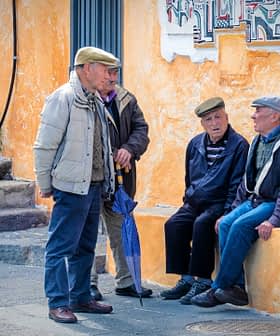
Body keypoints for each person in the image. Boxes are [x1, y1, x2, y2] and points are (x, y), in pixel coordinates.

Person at [33, 46, 120, 323]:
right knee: (60, 247)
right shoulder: (63, 98)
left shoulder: (95, 99)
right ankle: (58, 302)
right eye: (106, 70)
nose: (111, 76)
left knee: (86, 246)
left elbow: (101, 146)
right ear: (86, 68)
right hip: (70, 186)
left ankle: (80, 297)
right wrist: (44, 182)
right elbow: (44, 146)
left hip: (93, 186)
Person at [191, 96, 280, 308]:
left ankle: (217, 287)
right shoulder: (258, 141)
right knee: (224, 224)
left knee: (240, 226)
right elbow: (245, 183)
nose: (253, 115)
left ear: (275, 116)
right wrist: (231, 211)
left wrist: (274, 219)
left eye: (258, 111)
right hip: (255, 200)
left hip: (271, 202)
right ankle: (237, 289)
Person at [160, 97, 249, 305]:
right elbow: (188, 176)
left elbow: (237, 183)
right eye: (208, 119)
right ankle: (186, 278)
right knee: (174, 224)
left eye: (218, 117)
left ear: (226, 117)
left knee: (202, 225)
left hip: (219, 204)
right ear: (203, 123)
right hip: (194, 202)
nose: (214, 123)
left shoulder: (239, 145)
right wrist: (187, 200)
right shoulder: (195, 143)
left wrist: (228, 211)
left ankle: (203, 281)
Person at [90, 64, 153, 300]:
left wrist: (129, 149)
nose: (112, 78)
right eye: (107, 72)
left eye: (115, 73)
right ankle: (88, 284)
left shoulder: (127, 99)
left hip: (120, 179)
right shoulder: (85, 100)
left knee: (121, 229)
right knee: (90, 234)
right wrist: (115, 152)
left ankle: (126, 281)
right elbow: (89, 139)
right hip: (93, 176)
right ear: (93, 73)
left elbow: (141, 129)